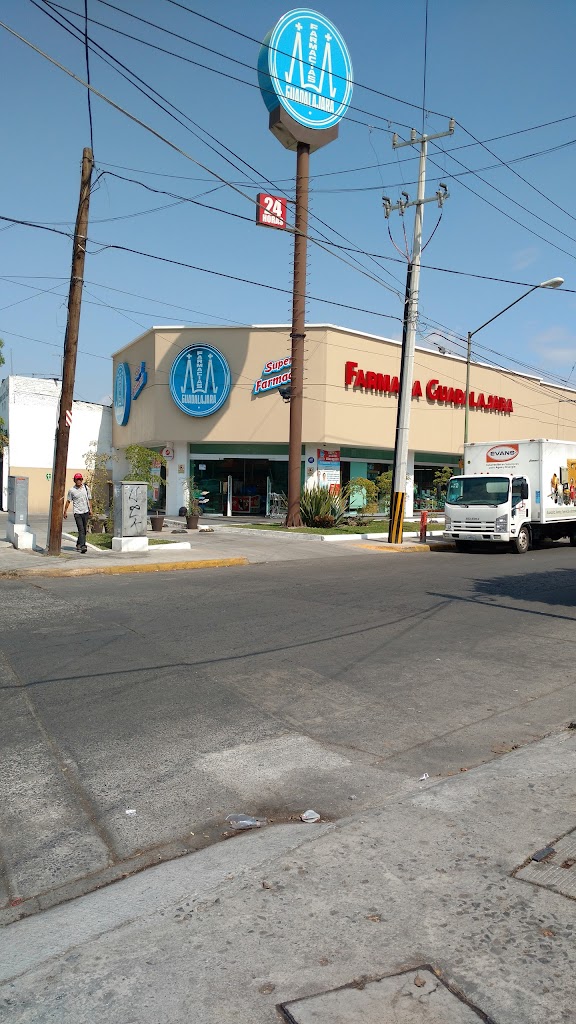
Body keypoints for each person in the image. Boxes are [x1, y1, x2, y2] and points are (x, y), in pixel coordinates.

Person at [64, 472, 92, 553]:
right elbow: (68, 501)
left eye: (80, 479)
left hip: (85, 511)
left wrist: (91, 510)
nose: (79, 481)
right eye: (77, 479)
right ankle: (83, 546)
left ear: (82, 480)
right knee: (81, 529)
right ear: (74, 480)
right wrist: (65, 511)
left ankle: (78, 543)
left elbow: (89, 499)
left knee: (84, 530)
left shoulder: (86, 488)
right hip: (77, 513)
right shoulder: (72, 490)